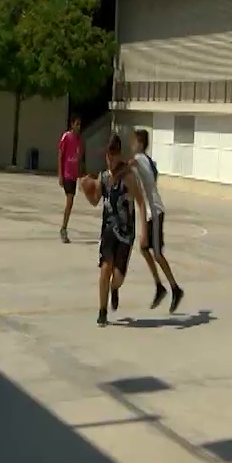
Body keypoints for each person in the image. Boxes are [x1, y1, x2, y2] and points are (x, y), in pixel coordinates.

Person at [82, 134, 148, 327]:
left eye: (113, 156)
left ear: (119, 154)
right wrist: (86, 189)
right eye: (107, 157)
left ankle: (115, 289)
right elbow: (95, 201)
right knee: (105, 270)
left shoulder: (128, 177)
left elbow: (141, 202)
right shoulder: (103, 177)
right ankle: (102, 311)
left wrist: (144, 231)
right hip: (108, 231)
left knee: (118, 277)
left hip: (126, 233)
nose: (110, 161)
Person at [129, 128, 185, 313]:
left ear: (140, 144)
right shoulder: (145, 161)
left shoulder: (139, 159)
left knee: (157, 254)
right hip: (150, 213)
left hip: (156, 212)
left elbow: (125, 166)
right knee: (144, 248)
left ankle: (175, 289)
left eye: (133, 141)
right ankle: (160, 287)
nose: (131, 144)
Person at [58, 116, 83, 244]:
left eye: (80, 124)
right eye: (77, 124)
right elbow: (61, 155)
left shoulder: (79, 139)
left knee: (71, 203)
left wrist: (79, 174)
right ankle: (63, 228)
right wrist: (60, 174)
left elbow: (79, 157)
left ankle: (64, 227)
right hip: (67, 174)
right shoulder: (66, 137)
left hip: (73, 175)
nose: (79, 127)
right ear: (72, 124)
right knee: (69, 201)